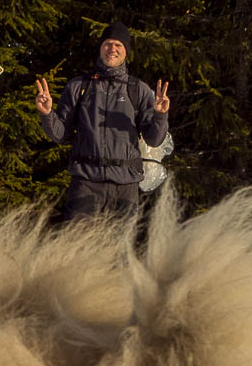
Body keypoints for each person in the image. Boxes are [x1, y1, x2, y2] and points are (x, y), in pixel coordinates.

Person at [35, 21, 171, 223]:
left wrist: (160, 115)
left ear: (126, 51)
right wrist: (47, 114)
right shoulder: (79, 87)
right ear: (101, 48)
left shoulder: (138, 89)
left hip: (125, 186)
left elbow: (153, 139)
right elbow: (60, 134)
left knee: (120, 250)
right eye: (108, 43)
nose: (112, 49)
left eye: (119, 45)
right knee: (77, 248)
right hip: (86, 182)